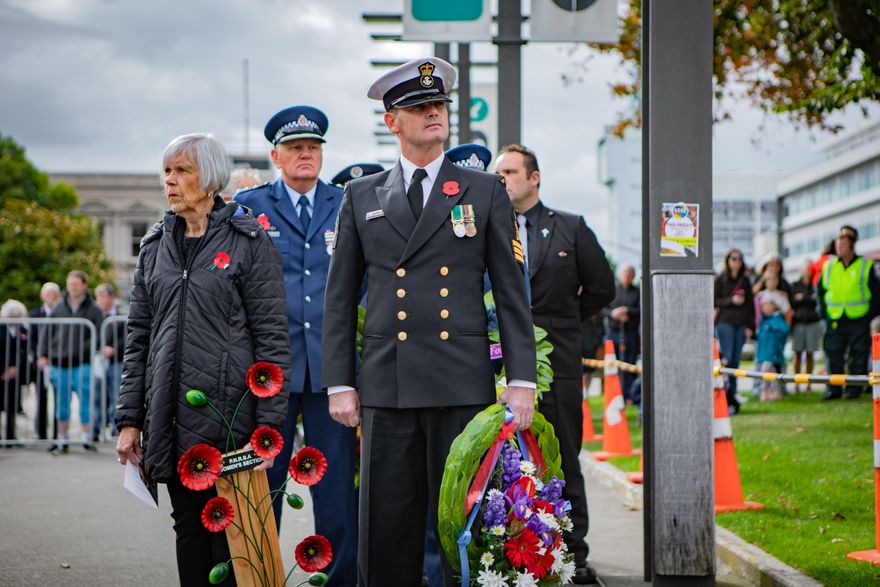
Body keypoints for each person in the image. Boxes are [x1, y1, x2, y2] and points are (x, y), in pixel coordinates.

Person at [322, 56, 537, 587]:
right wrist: (341, 383)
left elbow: (511, 296)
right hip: (387, 385)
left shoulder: (483, 190)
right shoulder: (362, 194)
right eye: (419, 107)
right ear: (392, 121)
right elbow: (339, 297)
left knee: (461, 523)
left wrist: (522, 380)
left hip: (459, 384)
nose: (433, 114)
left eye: (438, 104)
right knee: (387, 523)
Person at [115, 133, 290, 586]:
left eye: (181, 171)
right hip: (169, 418)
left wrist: (268, 430)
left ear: (209, 179)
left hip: (230, 419)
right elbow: (139, 339)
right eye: (167, 172)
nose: (169, 181)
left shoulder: (250, 241)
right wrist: (130, 420)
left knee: (233, 537)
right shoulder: (155, 246)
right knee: (188, 528)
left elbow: (272, 338)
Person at [234, 105, 358, 586]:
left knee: (334, 491)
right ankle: (260, 578)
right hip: (268, 374)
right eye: (295, 149)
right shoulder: (250, 207)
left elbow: (363, 283)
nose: (306, 155)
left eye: (313, 148)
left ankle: (340, 580)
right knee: (262, 488)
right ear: (276, 156)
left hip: (333, 373)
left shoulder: (348, 202)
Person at [495, 143, 615, 584]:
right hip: (500, 366)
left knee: (563, 455)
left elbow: (602, 288)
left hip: (559, 363)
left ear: (534, 177)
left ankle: (572, 553)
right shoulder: (490, 228)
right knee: (504, 458)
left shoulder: (570, 227)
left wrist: (561, 324)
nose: (502, 178)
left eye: (510, 171)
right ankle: (510, 546)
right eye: (498, 172)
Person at [37, 271, 104, 454]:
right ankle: (62, 439)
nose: (72, 287)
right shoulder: (59, 307)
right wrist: (43, 354)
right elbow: (46, 332)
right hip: (60, 362)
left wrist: (89, 348)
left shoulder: (94, 309)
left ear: (84, 285)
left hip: (83, 362)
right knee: (61, 402)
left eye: (75, 284)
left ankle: (86, 438)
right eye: (69, 284)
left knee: (85, 401)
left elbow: (101, 333)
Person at [818, 225, 880, 400]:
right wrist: (824, 314)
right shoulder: (828, 266)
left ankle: (854, 389)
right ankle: (834, 389)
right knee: (833, 353)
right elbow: (820, 292)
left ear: (851, 245)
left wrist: (869, 315)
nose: (839, 247)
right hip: (835, 317)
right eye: (837, 244)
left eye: (843, 244)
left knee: (859, 354)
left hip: (858, 318)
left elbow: (877, 293)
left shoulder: (865, 265)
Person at [714, 249, 754, 414]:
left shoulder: (745, 280)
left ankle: (734, 394)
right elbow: (713, 300)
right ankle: (725, 396)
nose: (736, 261)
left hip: (741, 324)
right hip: (725, 323)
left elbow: (751, 305)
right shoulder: (721, 278)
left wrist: (751, 326)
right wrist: (731, 300)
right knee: (727, 360)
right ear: (727, 260)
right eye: (733, 258)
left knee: (736, 361)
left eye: (739, 258)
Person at [601, 265, 641, 405]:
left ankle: (629, 396)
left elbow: (642, 310)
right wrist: (614, 314)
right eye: (625, 273)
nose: (628, 276)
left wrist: (627, 311)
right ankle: (613, 395)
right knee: (613, 365)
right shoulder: (613, 290)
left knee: (629, 365)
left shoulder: (637, 292)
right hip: (614, 332)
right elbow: (602, 309)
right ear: (621, 274)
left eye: (631, 273)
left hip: (630, 333)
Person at [92, 283, 125, 439]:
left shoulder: (121, 316)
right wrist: (100, 348)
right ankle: (95, 429)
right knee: (97, 396)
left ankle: (114, 429)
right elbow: (90, 336)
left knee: (116, 396)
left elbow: (126, 337)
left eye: (103, 296)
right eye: (98, 297)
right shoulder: (95, 316)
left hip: (117, 361)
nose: (100, 300)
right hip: (99, 361)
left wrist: (114, 349)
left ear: (110, 297)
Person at [29, 282, 61, 439]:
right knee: (41, 398)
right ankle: (41, 432)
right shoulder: (34, 314)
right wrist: (40, 355)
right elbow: (31, 339)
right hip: (40, 363)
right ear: (42, 296)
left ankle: (57, 435)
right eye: (48, 294)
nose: (51, 297)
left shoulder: (61, 314)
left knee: (58, 399)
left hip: (57, 362)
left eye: (54, 294)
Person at [790, 261, 824, 393]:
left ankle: (808, 383)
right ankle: (796, 383)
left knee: (810, 354)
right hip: (798, 322)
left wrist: (803, 298)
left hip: (812, 323)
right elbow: (794, 301)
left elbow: (817, 300)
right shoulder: (795, 285)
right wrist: (809, 298)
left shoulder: (815, 285)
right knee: (797, 354)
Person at [1, 300, 30, 438]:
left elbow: (25, 352)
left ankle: (11, 435)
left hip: (15, 374)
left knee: (12, 405)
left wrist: (16, 367)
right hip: (1, 373)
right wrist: (3, 370)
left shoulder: (23, 331)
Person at [755, 291, 790, 401]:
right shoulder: (763, 321)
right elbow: (760, 336)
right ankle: (765, 391)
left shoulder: (778, 319)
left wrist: (772, 328)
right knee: (766, 373)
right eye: (764, 306)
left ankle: (773, 392)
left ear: (774, 306)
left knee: (771, 373)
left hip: (773, 353)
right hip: (764, 353)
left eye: (769, 305)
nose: (766, 308)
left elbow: (785, 330)